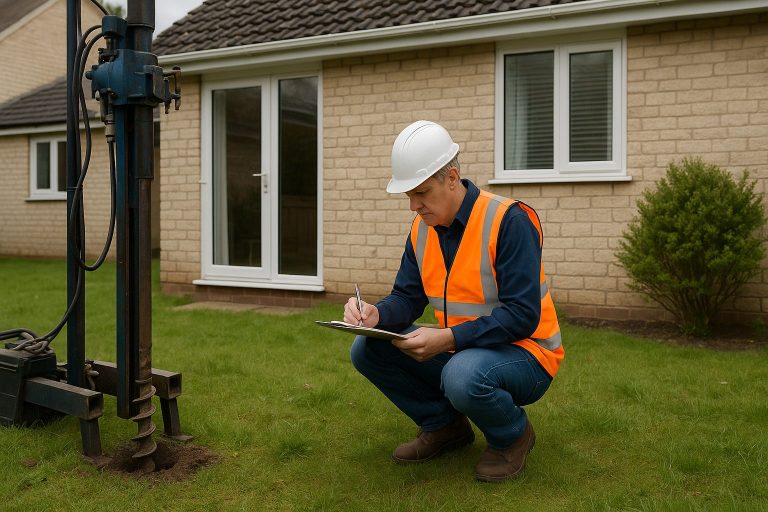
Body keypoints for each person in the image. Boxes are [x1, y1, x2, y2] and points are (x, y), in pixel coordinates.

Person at [345, 120, 564, 483]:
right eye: (408, 196)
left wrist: (447, 340)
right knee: (366, 348)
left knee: (462, 374)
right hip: (466, 349)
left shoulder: (508, 221)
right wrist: (376, 314)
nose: (414, 205)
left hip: (529, 354)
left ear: (452, 177)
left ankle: (512, 436)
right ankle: (445, 426)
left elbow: (523, 315)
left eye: (422, 193)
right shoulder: (421, 228)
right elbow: (407, 296)